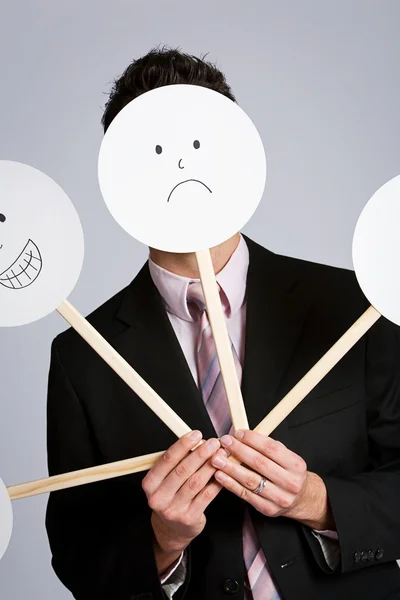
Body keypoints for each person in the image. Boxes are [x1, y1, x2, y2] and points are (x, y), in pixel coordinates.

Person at [45, 48, 400, 600]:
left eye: (197, 146)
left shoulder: (356, 304)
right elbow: (75, 553)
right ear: (119, 180)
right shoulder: (82, 356)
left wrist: (314, 499)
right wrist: (162, 542)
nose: (180, 165)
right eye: (154, 153)